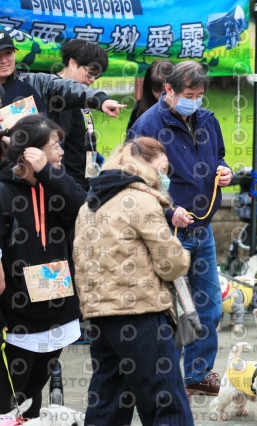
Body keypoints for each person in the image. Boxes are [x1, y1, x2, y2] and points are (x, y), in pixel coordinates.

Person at [128, 60, 233, 396]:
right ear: (169, 90)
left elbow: (219, 155)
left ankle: (197, 373)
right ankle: (167, 379)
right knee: (169, 311)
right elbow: (135, 182)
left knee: (210, 306)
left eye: (200, 95)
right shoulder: (147, 126)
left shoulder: (207, 119)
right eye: (189, 95)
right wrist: (169, 211)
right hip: (167, 233)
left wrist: (224, 170)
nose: (195, 101)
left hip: (202, 229)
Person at [74, 137, 193, 425]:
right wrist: (182, 255)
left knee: (109, 400)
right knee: (166, 401)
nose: (165, 177)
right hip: (141, 312)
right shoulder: (141, 200)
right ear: (145, 165)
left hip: (99, 314)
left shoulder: (89, 204)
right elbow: (172, 264)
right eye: (162, 169)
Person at [0, 115, 86, 418]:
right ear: (31, 153)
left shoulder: (55, 185)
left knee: (33, 394)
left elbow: (85, 211)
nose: (61, 151)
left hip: (58, 312)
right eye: (54, 146)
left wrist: (49, 173)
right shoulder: (4, 192)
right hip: (18, 317)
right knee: (10, 398)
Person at [0, 29, 125, 121]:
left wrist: (101, 100)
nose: (4, 60)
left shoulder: (34, 82)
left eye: (8, 53)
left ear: (15, 52)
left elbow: (66, 87)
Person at [50, 39, 109, 191]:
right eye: (90, 73)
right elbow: (58, 148)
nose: (92, 80)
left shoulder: (79, 97)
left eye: (96, 76)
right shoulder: (58, 98)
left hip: (84, 183)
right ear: (72, 63)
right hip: (68, 187)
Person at [127, 59, 174, 130]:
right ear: (149, 88)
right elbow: (130, 134)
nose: (162, 95)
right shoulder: (140, 108)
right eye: (157, 90)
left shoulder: (184, 109)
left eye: (166, 91)